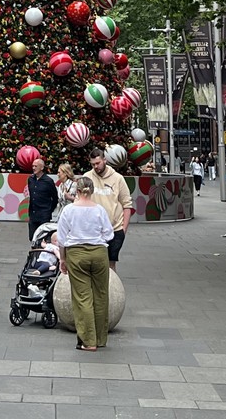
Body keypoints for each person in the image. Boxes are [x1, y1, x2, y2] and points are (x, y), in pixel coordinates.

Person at [56, 174, 114, 351]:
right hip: (99, 253)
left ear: (78, 191)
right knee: (101, 296)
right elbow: (109, 234)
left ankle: (88, 340)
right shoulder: (99, 210)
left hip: (77, 253)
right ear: (92, 190)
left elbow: (61, 238)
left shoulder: (69, 210)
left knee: (83, 298)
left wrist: (63, 259)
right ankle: (101, 338)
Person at [87, 147, 132, 269]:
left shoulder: (117, 178)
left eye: (98, 163)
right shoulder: (87, 177)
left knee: (111, 266)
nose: (96, 167)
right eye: (93, 164)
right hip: (93, 230)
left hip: (114, 230)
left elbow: (127, 205)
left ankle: (111, 288)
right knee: (94, 265)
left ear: (104, 160)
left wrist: (123, 230)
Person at [26, 156, 59, 242]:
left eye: (36, 166)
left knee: (43, 239)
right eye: (33, 166)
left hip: (44, 214)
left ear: (42, 167)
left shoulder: (48, 181)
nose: (33, 168)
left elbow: (55, 198)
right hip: (33, 214)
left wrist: (48, 210)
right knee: (32, 238)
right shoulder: (30, 179)